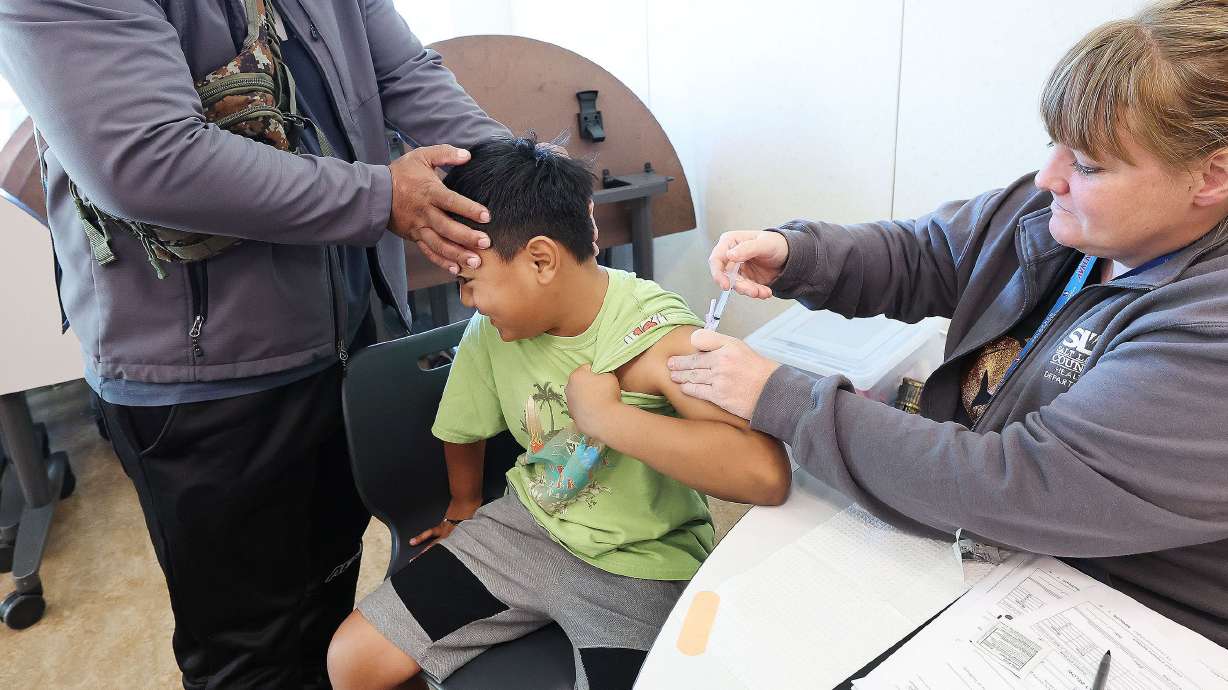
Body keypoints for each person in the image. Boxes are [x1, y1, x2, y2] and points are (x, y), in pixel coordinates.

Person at [668, 0, 1228, 647]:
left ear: (1211, 174)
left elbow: (1016, 483)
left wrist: (782, 397)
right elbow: (929, 252)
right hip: (980, 541)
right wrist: (798, 255)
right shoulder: (1062, 211)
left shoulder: (1208, 329)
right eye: (1056, 145)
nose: (1049, 178)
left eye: (1089, 165)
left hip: (1121, 614)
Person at [0, 1, 515, 686]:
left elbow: (401, 73)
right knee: (250, 649)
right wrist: (378, 198)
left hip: (342, 337)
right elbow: (144, 160)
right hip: (205, 379)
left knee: (327, 593)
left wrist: (526, 186)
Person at [325, 135, 791, 690]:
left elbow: (764, 473)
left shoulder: (654, 335)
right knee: (350, 662)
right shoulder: (493, 331)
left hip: (641, 565)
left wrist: (611, 420)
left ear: (541, 259)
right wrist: (463, 504)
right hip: (529, 528)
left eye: (469, 283)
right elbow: (463, 425)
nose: (467, 301)